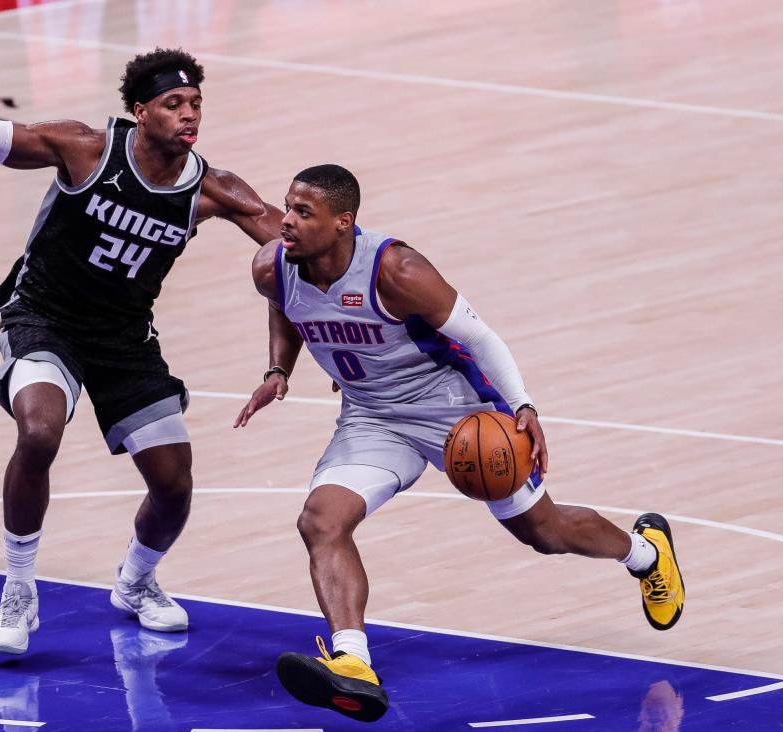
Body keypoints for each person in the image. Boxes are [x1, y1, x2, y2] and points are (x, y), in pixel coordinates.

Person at [0, 37, 283, 655]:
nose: (189, 114)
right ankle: (19, 592)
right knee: (39, 432)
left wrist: (375, 267)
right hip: (44, 319)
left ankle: (135, 584)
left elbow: (292, 244)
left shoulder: (213, 189)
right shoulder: (86, 149)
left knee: (174, 483)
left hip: (124, 340)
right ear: (142, 111)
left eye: (195, 102)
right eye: (173, 103)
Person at [234, 164, 685, 722]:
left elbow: (479, 336)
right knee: (320, 521)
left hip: (454, 410)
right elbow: (285, 307)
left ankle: (644, 554)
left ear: (344, 222)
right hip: (372, 416)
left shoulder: (396, 270)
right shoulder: (273, 267)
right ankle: (352, 663)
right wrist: (279, 367)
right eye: (288, 207)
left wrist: (522, 406)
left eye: (304, 213)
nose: (288, 223)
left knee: (543, 532)